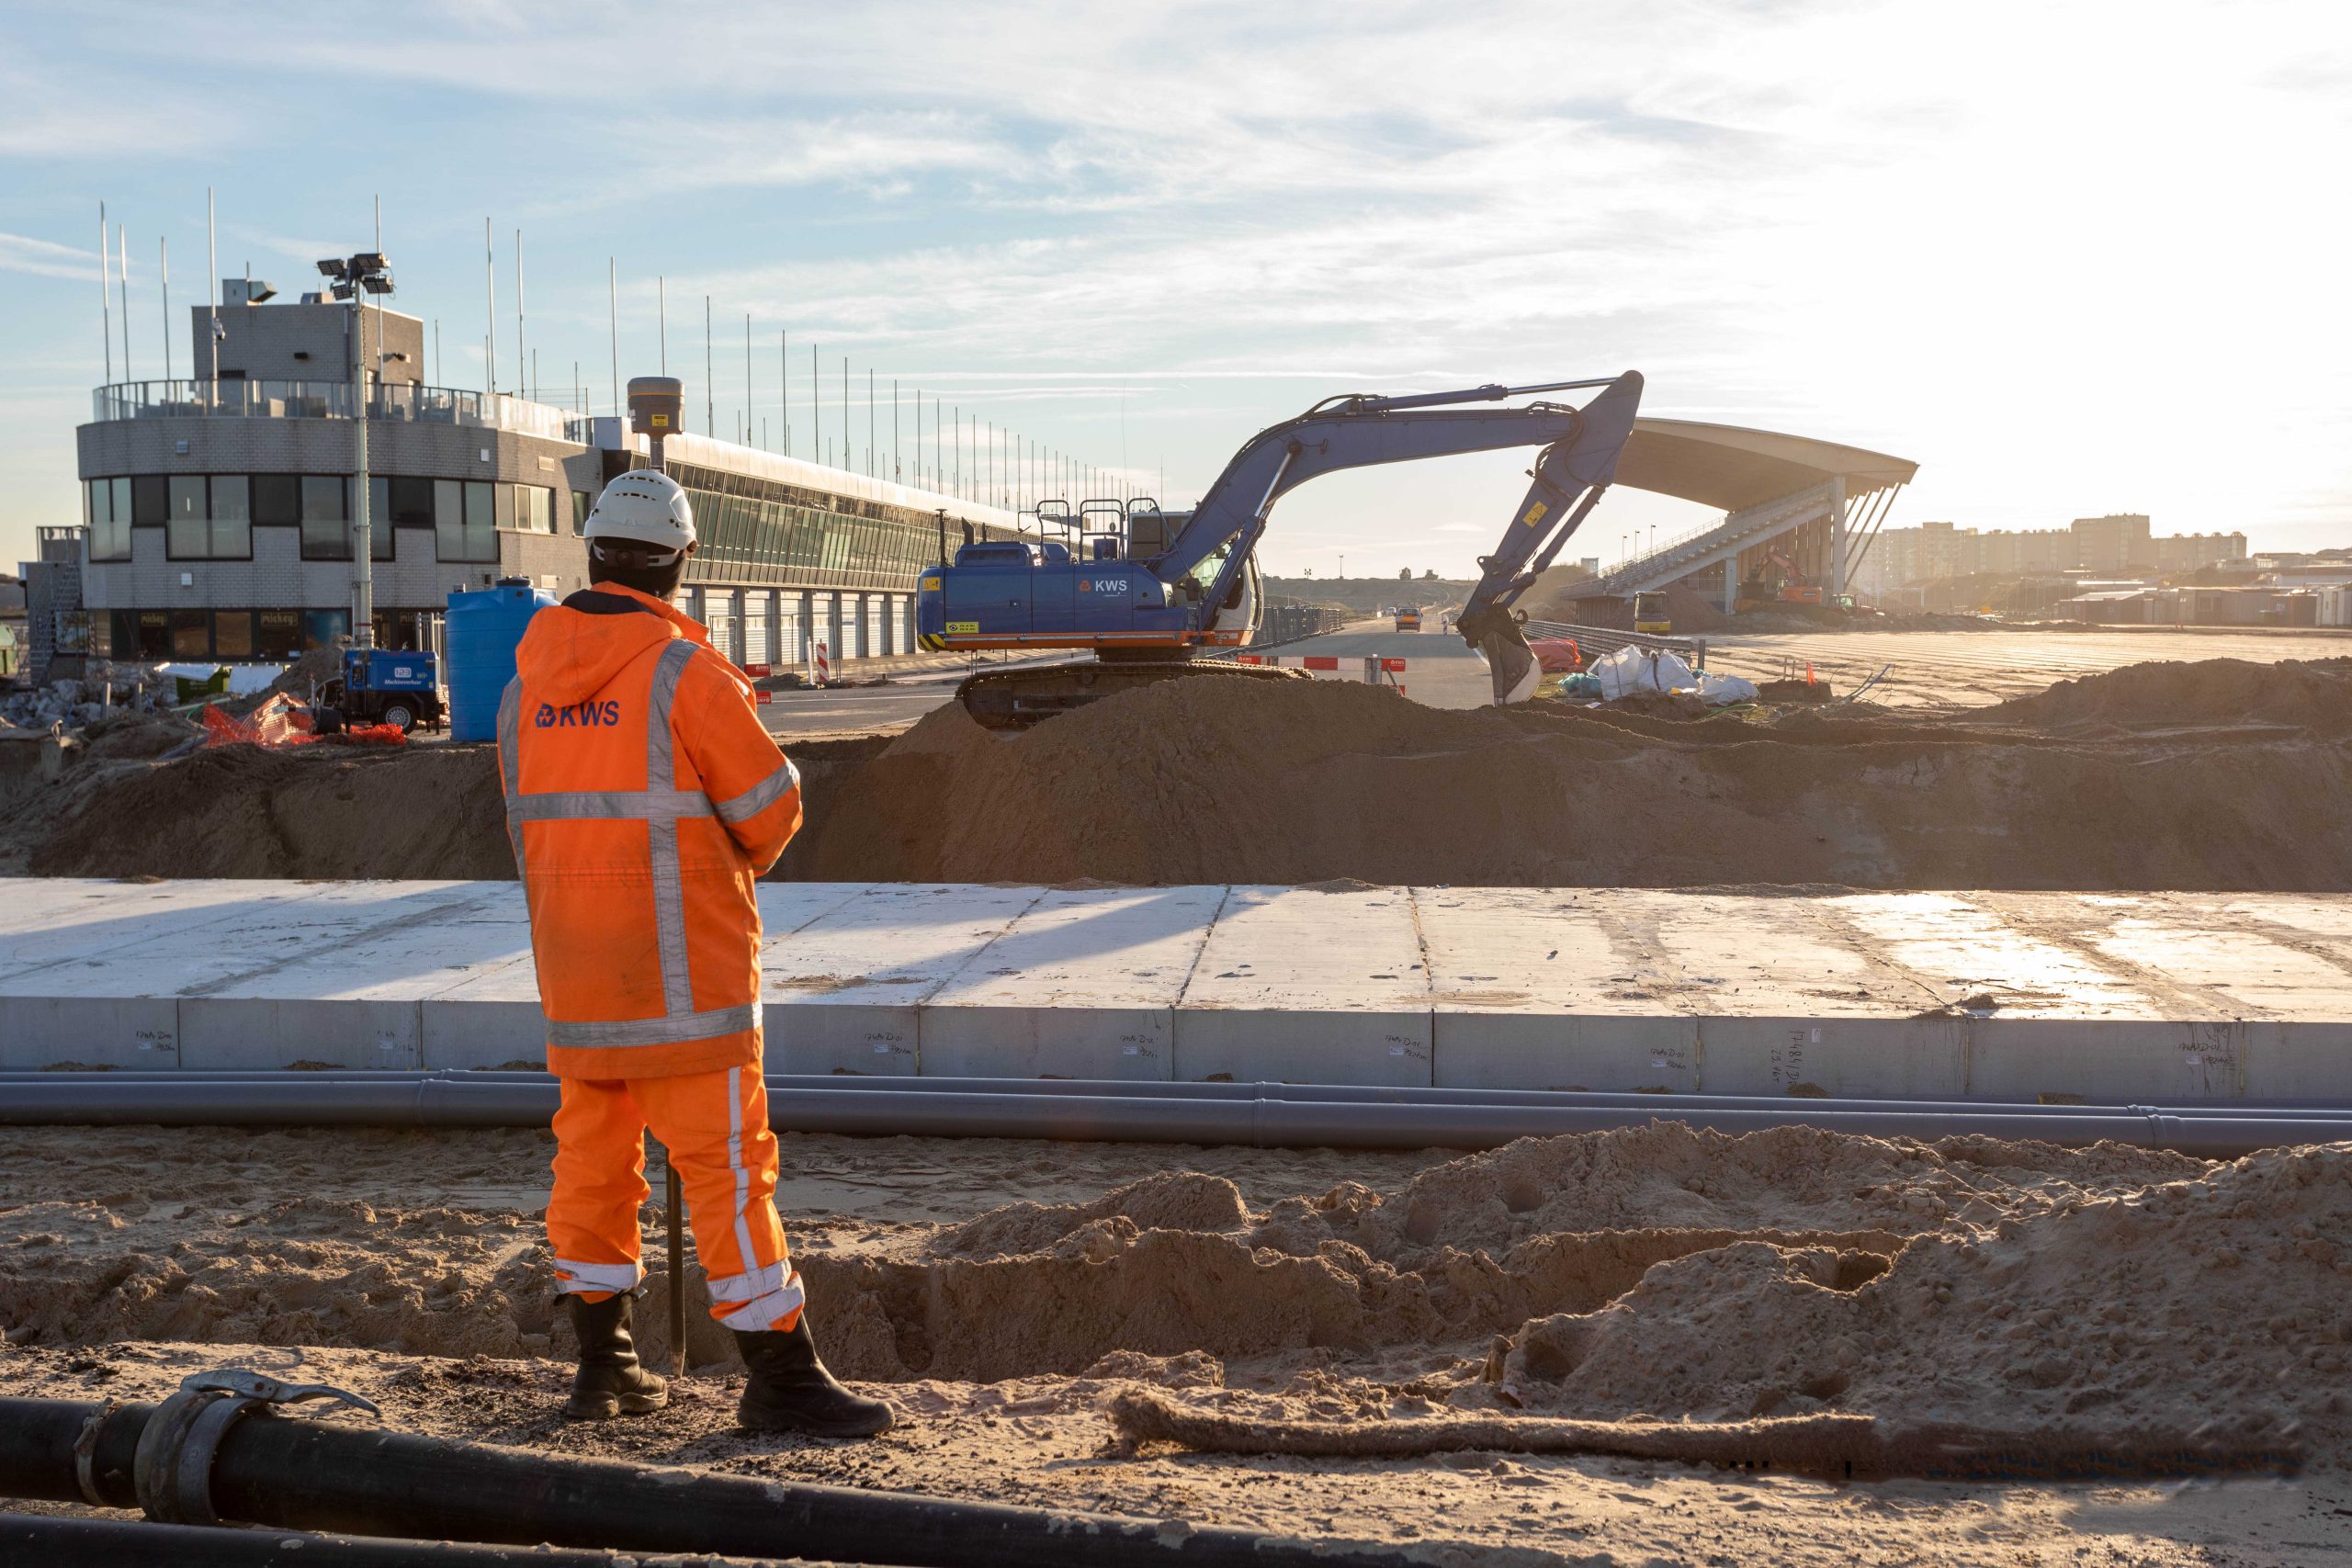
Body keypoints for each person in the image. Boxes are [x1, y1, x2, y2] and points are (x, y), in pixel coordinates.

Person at [498, 468, 890, 1438]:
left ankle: (605, 1368)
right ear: (679, 563)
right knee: (727, 1175)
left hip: (578, 981)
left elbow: (528, 829)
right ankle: (782, 1378)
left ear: (591, 553)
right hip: (683, 983)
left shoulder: (522, 689)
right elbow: (768, 811)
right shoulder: (685, 672)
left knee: (590, 1173)